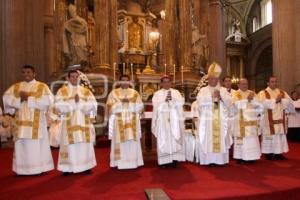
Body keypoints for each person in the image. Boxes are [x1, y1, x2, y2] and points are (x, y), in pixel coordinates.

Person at [2, 65, 54, 175]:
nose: (26, 74)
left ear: (34, 74)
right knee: (21, 145)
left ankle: (37, 168)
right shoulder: (16, 87)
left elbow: (47, 102)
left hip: (37, 123)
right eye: (24, 72)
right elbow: (6, 99)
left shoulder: (41, 86)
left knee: (35, 145)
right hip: (20, 123)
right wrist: (19, 99)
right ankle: (21, 170)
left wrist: (29, 98)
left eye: (29, 72)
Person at [55, 70, 97, 174]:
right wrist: (73, 102)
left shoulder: (86, 91)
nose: (74, 79)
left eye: (76, 77)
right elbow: (57, 106)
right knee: (69, 144)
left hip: (83, 122)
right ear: (68, 78)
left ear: (79, 78)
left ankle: (86, 166)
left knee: (83, 143)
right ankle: (68, 168)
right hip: (69, 123)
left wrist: (80, 103)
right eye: (72, 77)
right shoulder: (62, 91)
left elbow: (93, 105)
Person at [196, 62, 232, 166]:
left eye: (215, 78)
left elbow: (230, 103)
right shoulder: (203, 90)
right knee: (209, 138)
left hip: (220, 119)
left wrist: (221, 97)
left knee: (221, 137)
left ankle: (221, 160)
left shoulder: (223, 90)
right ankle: (209, 160)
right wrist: (211, 98)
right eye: (211, 78)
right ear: (208, 79)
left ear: (218, 79)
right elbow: (200, 102)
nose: (213, 80)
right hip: (208, 120)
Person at [106, 75, 144, 169]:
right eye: (123, 80)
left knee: (132, 141)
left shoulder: (135, 93)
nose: (125, 82)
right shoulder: (113, 93)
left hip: (132, 122)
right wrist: (121, 103)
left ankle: (134, 162)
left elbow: (140, 107)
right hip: (119, 122)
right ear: (119, 82)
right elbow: (109, 108)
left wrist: (129, 104)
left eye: (127, 81)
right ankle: (119, 163)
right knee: (119, 141)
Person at [152, 75, 185, 167]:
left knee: (174, 137)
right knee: (164, 138)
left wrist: (173, 100)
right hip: (163, 120)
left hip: (174, 119)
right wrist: (164, 100)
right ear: (161, 84)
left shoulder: (176, 92)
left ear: (171, 83)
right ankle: (164, 161)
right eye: (164, 82)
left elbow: (181, 103)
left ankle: (174, 159)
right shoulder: (157, 94)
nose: (166, 84)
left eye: (168, 81)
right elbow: (156, 106)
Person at [258, 76, 292, 160]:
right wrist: (275, 100)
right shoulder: (263, 93)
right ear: (268, 83)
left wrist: (282, 100)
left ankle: (278, 153)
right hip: (268, 120)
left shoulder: (282, 92)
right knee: (269, 137)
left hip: (280, 119)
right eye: (272, 81)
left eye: (275, 81)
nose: (274, 83)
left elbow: (289, 101)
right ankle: (268, 153)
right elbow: (261, 103)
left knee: (279, 136)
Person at [232, 78, 263, 163]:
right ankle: (241, 157)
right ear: (238, 85)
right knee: (243, 140)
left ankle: (252, 157)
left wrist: (253, 101)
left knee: (252, 139)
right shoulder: (236, 93)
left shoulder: (252, 93)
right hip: (240, 121)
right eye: (243, 84)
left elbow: (259, 105)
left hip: (252, 121)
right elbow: (235, 105)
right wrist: (247, 100)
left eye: (246, 84)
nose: (245, 85)